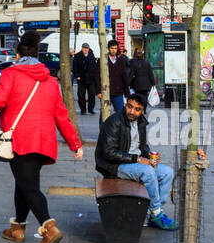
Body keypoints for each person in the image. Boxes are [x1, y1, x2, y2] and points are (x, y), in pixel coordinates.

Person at [0, 34, 83, 243]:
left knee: (29, 187)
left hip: (20, 140)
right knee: (24, 183)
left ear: (18, 56)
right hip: (44, 142)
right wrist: (75, 144)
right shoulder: (50, 81)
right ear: (38, 55)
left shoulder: (11, 74)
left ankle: (49, 228)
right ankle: (17, 228)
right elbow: (61, 116)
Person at [95, 94, 177, 229]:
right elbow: (109, 153)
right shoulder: (114, 122)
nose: (132, 112)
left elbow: (142, 146)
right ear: (126, 104)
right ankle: (157, 213)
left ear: (143, 110)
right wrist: (137, 159)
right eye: (129, 107)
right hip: (115, 165)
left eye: (137, 109)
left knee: (167, 172)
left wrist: (150, 156)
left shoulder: (140, 122)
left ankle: (153, 213)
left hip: (135, 163)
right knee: (148, 172)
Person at [96, 39, 129, 115]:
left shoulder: (121, 61)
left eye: (115, 48)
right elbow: (97, 76)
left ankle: (118, 127)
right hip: (106, 91)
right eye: (112, 48)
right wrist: (98, 91)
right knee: (104, 114)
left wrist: (127, 93)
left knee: (120, 114)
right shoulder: (103, 60)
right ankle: (103, 127)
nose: (114, 50)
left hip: (118, 92)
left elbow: (124, 78)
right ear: (108, 48)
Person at [72, 42, 97, 114]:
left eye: (87, 48)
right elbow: (75, 67)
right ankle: (83, 110)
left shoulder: (91, 55)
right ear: (82, 48)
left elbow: (94, 66)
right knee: (81, 95)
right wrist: (77, 76)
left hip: (91, 78)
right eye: (84, 48)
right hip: (81, 78)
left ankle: (91, 109)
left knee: (92, 94)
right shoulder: (77, 56)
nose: (86, 50)